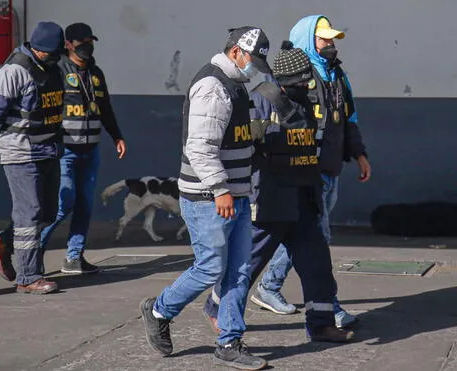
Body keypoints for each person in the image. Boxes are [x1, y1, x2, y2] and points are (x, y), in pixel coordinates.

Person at [202, 41, 355, 346]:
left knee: (317, 266)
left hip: (305, 199)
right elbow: (245, 145)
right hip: (271, 199)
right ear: (284, 79)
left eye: (307, 78)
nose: (306, 84)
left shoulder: (311, 103)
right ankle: (216, 307)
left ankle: (321, 324)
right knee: (247, 264)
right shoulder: (261, 101)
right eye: (300, 79)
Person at [140, 26, 271, 370]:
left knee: (239, 271)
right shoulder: (213, 87)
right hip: (208, 197)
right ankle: (158, 310)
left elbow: (233, 135)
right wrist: (221, 189)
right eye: (253, 59)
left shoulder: (236, 85)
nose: (255, 67)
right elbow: (199, 148)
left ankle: (229, 342)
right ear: (235, 53)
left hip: (236, 195)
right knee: (212, 267)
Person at [253, 15, 370, 328]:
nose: (330, 45)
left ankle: (268, 287)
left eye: (332, 40)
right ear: (307, 40)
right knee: (316, 237)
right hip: (306, 171)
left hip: (329, 168)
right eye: (324, 39)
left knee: (306, 237)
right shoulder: (296, 78)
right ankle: (328, 308)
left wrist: (358, 154)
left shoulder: (337, 75)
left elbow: (349, 117)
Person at [0, 21, 65, 294]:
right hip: (20, 151)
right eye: (49, 53)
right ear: (37, 49)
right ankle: (29, 277)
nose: (53, 58)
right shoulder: (14, 71)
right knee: (29, 214)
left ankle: (3, 242)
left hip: (48, 149)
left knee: (48, 212)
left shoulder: (52, 68)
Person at [39, 22, 127, 274]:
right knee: (62, 204)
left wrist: (116, 136)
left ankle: (74, 257)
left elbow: (105, 107)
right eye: (81, 42)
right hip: (65, 149)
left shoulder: (96, 72)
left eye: (90, 41)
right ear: (68, 44)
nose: (87, 46)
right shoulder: (57, 71)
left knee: (85, 205)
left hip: (91, 149)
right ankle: (33, 254)